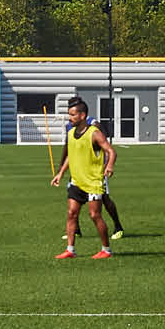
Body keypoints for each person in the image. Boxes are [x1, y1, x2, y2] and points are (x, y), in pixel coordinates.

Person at [50, 96, 117, 259]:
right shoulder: (71, 133)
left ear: (82, 115)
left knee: (95, 215)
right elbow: (70, 156)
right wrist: (60, 173)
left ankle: (106, 250)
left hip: (93, 182)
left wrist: (109, 165)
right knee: (71, 213)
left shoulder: (94, 133)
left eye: (73, 115)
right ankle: (70, 250)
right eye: (69, 114)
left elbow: (111, 151)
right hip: (76, 182)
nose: (70, 118)